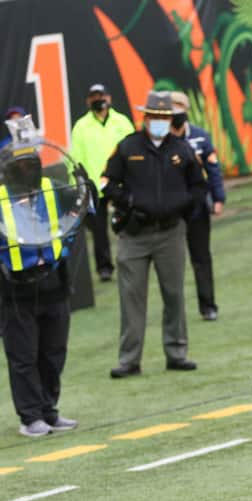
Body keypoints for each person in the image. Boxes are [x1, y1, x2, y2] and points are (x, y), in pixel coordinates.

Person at [102, 90, 206, 378]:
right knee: (131, 297)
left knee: (174, 294)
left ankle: (176, 352)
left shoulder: (182, 150)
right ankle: (129, 359)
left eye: (164, 117)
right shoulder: (127, 147)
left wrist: (184, 208)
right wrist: (129, 204)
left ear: (170, 119)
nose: (159, 121)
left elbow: (199, 186)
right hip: (134, 235)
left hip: (171, 233)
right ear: (145, 118)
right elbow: (108, 183)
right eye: (154, 117)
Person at [0, 118, 83, 436]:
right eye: (20, 161)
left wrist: (84, 191)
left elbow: (77, 214)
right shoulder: (1, 195)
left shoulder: (53, 187)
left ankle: (49, 410)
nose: (27, 166)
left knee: (53, 351)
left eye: (31, 160)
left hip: (54, 281)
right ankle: (30, 416)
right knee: (23, 355)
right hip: (16, 287)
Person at [70, 84, 135, 282]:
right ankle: (104, 267)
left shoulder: (121, 121)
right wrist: (79, 185)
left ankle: (134, 258)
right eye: (93, 97)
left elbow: (133, 149)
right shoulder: (81, 127)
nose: (97, 99)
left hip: (119, 182)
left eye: (100, 95)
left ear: (109, 97)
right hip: (94, 186)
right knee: (99, 231)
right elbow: (75, 158)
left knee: (128, 221)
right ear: (87, 101)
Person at [169, 92, 225, 321]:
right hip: (170, 210)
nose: (176, 113)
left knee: (201, 258)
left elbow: (213, 168)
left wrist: (218, 197)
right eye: (172, 108)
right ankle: (174, 311)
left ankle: (208, 305)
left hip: (198, 207)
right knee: (172, 262)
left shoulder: (200, 137)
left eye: (180, 108)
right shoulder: (161, 140)